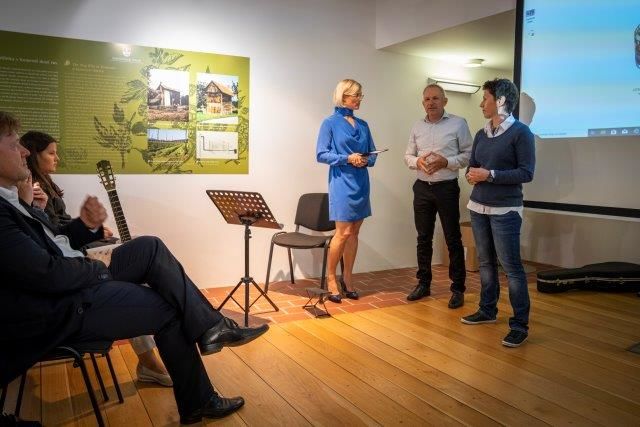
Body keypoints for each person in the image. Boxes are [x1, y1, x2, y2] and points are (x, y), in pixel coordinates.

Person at [0, 111, 269, 424]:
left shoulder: (13, 201)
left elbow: (53, 242)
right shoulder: (3, 212)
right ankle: (201, 390)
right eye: (14, 144)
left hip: (74, 278)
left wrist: (81, 224)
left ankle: (213, 327)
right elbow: (47, 275)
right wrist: (97, 268)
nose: (24, 151)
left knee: (149, 245)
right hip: (65, 304)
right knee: (169, 309)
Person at [19, 130, 171, 387]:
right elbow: (53, 240)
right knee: (137, 275)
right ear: (34, 155)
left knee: (142, 251)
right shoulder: (29, 191)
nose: (57, 158)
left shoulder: (46, 186)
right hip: (71, 266)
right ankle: (149, 359)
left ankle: (155, 351)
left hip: (75, 254)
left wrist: (95, 230)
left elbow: (61, 228)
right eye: (52, 153)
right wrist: (38, 210)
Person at [461, 78, 535, 348]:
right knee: (485, 263)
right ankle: (487, 310)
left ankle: (519, 326)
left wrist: (489, 175)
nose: (481, 104)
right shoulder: (481, 134)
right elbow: (472, 166)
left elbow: (526, 173)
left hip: (506, 210)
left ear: (501, 101)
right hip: (478, 207)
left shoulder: (521, 133)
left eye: (486, 98)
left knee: (512, 268)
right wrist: (471, 174)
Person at [404, 84, 473, 308]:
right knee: (423, 238)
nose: (431, 103)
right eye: (427, 99)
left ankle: (458, 288)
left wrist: (447, 162)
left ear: (445, 101)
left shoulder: (458, 123)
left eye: (435, 98)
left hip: (446, 188)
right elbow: (408, 156)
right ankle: (423, 283)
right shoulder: (417, 126)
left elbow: (469, 154)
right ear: (422, 103)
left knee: (452, 238)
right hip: (422, 188)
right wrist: (417, 162)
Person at [316, 79, 377, 303]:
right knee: (342, 233)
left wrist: (366, 160)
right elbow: (321, 154)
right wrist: (347, 158)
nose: (359, 99)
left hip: (361, 181)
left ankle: (348, 277)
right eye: (356, 95)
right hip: (341, 181)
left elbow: (373, 154)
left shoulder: (363, 124)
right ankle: (331, 278)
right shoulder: (329, 123)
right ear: (343, 96)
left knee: (355, 233)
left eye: (361, 95)